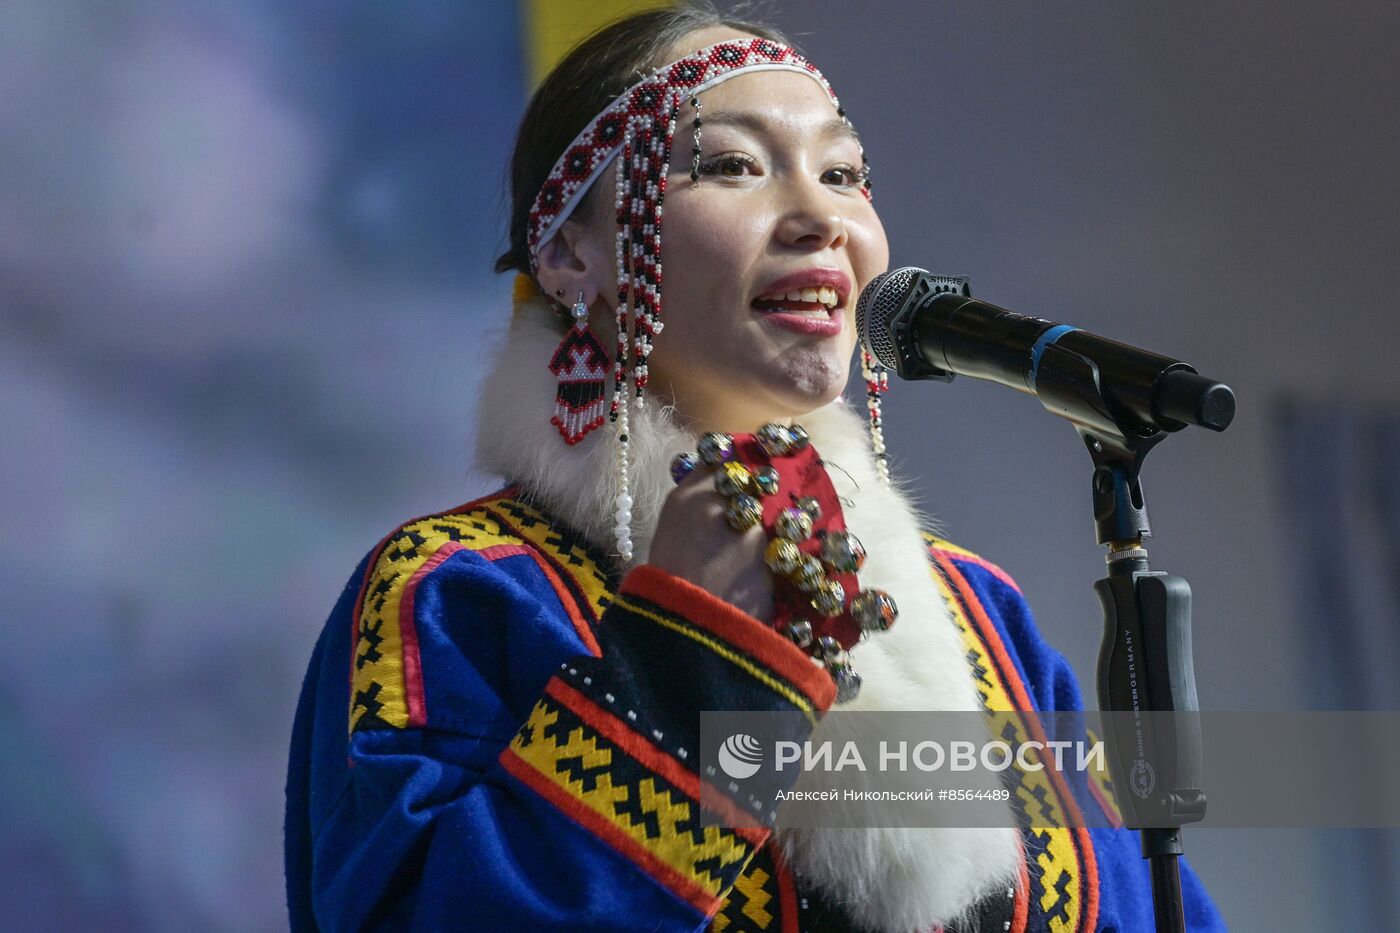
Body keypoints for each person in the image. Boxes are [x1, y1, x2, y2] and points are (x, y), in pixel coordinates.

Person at [284, 6, 1225, 931]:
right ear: (573, 250)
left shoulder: (983, 615)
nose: (821, 216)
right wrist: (688, 661)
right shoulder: (464, 596)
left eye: (845, 172)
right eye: (732, 164)